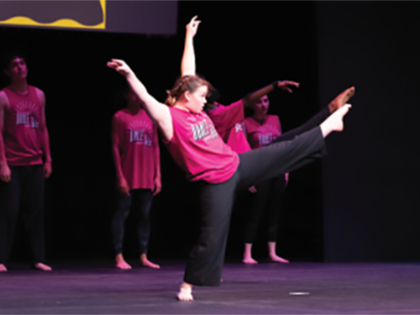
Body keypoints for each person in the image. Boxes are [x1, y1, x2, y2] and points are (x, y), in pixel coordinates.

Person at [107, 16, 354, 302]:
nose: (205, 102)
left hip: (236, 164)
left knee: (282, 151)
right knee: (212, 235)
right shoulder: (168, 119)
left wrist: (189, 36)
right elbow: (147, 98)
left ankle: (329, 125)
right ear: (186, 97)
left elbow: (189, 70)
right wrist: (128, 74)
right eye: (201, 97)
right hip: (214, 183)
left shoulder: (196, 107)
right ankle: (187, 284)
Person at [0, 51, 52, 272]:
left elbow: (43, 129)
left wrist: (47, 158)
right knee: (9, 212)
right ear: (7, 72)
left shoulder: (38, 95)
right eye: (15, 65)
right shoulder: (3, 96)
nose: (20, 67)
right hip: (13, 162)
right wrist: (2, 163)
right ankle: (1, 259)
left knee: (36, 211)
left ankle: (38, 258)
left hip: (35, 162)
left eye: (22, 63)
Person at [111, 85, 161, 270]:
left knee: (144, 216)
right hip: (128, 173)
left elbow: (156, 146)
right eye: (133, 93)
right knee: (122, 214)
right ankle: (119, 256)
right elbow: (115, 146)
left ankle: (143, 255)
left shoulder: (150, 117)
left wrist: (158, 176)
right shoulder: (119, 117)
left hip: (146, 175)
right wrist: (120, 175)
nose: (137, 97)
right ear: (126, 96)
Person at [242, 95, 289, 264]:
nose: (263, 105)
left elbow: (283, 145)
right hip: (258, 172)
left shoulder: (275, 119)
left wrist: (286, 170)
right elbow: (243, 150)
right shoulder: (246, 123)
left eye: (266, 101)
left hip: (276, 170)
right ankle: (247, 253)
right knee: (256, 210)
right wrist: (248, 177)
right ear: (252, 104)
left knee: (275, 210)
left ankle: (272, 252)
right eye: (259, 102)